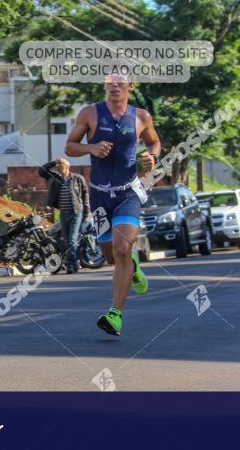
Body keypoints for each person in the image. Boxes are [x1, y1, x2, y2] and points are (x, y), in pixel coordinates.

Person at [65, 75, 161, 336]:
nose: (114, 85)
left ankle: (115, 315)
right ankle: (133, 267)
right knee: (110, 255)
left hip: (127, 194)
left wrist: (150, 157)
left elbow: (154, 142)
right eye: (110, 81)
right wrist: (91, 148)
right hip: (99, 197)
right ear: (105, 85)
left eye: (121, 82)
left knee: (121, 248)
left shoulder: (141, 116)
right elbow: (70, 146)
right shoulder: (90, 113)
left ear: (131, 86)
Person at [39, 158, 90, 273]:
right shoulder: (55, 177)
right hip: (63, 213)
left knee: (72, 240)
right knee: (67, 240)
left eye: (60, 167)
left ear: (67, 167)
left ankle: (71, 265)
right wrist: (54, 162)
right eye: (57, 167)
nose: (58, 169)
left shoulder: (77, 178)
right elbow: (41, 171)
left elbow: (85, 195)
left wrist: (87, 211)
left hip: (76, 213)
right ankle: (73, 264)